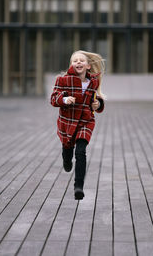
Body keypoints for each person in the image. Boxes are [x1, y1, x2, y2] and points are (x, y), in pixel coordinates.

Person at [50, 50, 105, 200]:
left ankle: (78, 187)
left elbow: (96, 98)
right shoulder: (63, 80)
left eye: (82, 60)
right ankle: (66, 159)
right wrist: (65, 99)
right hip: (68, 122)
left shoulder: (93, 82)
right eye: (75, 61)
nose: (78, 62)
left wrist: (98, 104)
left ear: (88, 66)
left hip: (85, 121)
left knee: (81, 151)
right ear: (71, 65)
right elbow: (54, 98)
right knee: (68, 149)